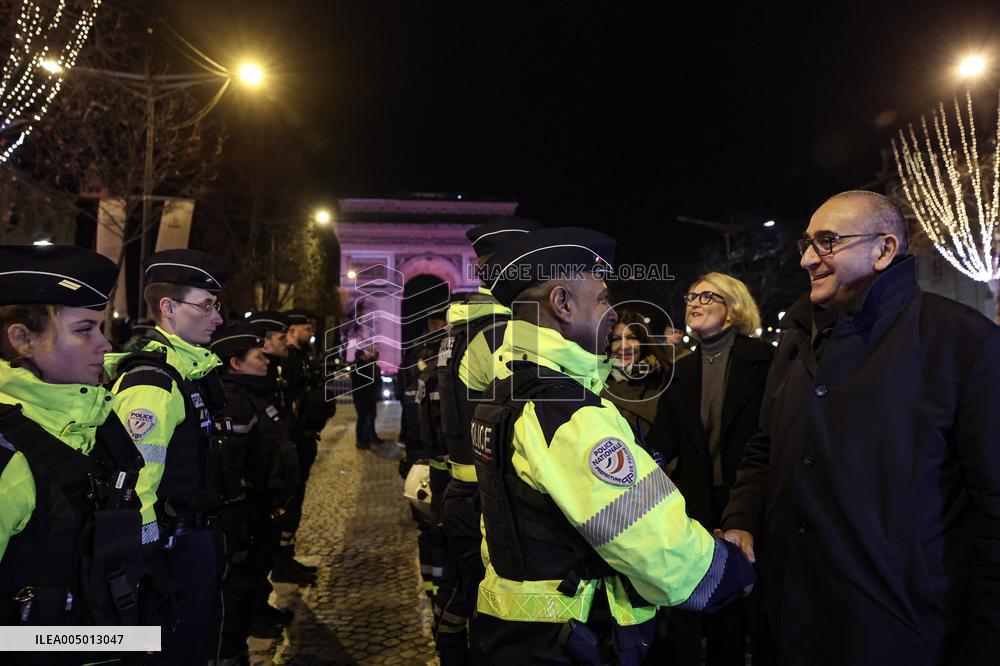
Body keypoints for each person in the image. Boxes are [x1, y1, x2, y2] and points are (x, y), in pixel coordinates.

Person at [720, 190, 1000, 666]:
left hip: (898, 635)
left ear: (884, 249)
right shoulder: (795, 338)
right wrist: (741, 518)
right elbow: (765, 448)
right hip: (788, 625)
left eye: (827, 242)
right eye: (807, 243)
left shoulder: (963, 342)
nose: (809, 259)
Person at [468, 227, 756, 665]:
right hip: (570, 643)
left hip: (518, 638)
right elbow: (652, 541)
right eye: (601, 298)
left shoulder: (506, 388)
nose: (611, 311)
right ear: (562, 303)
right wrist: (728, 569)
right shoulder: (568, 410)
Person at [0, 245, 145, 649]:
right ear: (22, 339)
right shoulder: (11, 456)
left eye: (100, 328)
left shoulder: (94, 419)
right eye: (84, 330)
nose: (105, 345)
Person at [104, 248, 231, 664]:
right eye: (208, 305)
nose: (218, 317)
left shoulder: (188, 372)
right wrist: (146, 566)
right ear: (168, 308)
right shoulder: (153, 384)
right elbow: (133, 488)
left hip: (189, 541)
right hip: (170, 553)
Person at [647, 272, 774, 666]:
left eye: (707, 296)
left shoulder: (765, 360)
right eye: (691, 296)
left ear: (733, 309)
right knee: (699, 604)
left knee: (744, 612)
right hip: (697, 505)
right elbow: (663, 442)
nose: (694, 303)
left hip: (752, 502)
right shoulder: (681, 370)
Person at [434, 216, 543, 664]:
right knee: (493, 618)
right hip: (489, 499)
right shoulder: (500, 334)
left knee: (462, 598)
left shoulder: (463, 329)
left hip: (463, 490)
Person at [209, 323, 300, 660]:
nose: (266, 362)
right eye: (258, 356)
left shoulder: (253, 394)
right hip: (247, 514)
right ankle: (233, 652)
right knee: (237, 593)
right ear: (236, 363)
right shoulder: (234, 401)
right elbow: (234, 467)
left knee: (251, 584)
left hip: (261, 510)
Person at [602, 307, 669, 447]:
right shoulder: (599, 382)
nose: (624, 346)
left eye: (632, 338)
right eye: (616, 339)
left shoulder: (664, 378)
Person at [350, 347, 382, 449]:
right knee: (362, 419)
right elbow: (362, 380)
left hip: (368, 396)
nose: (366, 356)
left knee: (369, 417)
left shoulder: (365, 365)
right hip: (361, 397)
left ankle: (369, 438)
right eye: (364, 355)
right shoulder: (358, 365)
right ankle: (360, 441)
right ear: (360, 356)